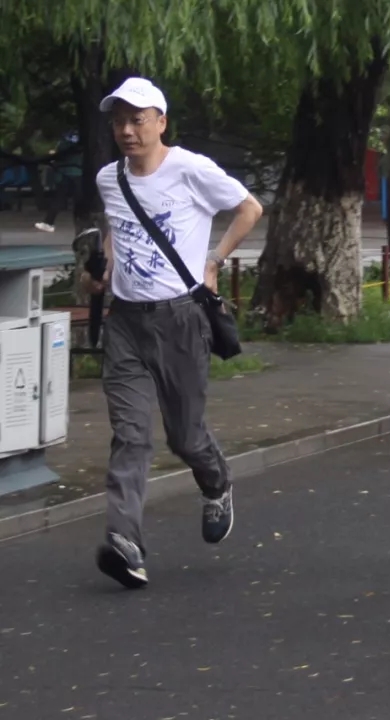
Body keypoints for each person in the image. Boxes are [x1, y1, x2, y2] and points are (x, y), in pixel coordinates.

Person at [88, 77, 263, 589]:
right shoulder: (109, 178)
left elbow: (249, 208)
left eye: (137, 119)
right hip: (125, 323)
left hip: (180, 320)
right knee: (130, 435)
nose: (127, 130)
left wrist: (214, 261)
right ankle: (125, 542)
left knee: (184, 435)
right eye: (119, 121)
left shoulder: (190, 169)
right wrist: (102, 267)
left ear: (160, 122)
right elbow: (115, 228)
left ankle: (217, 482)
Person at [35, 132, 83, 233]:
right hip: (78, 172)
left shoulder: (64, 142)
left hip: (66, 172)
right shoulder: (82, 140)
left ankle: (49, 222)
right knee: (78, 200)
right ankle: (83, 224)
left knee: (59, 198)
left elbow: (59, 156)